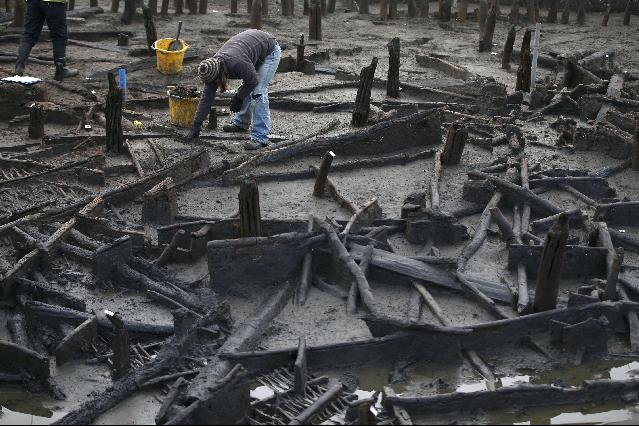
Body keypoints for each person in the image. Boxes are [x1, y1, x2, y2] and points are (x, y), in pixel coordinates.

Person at [187, 29, 281, 150]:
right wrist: (196, 125)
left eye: (215, 82)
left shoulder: (237, 63)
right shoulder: (212, 67)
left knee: (258, 91)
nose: (214, 84)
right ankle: (241, 123)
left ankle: (261, 137)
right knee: (245, 88)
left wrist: (239, 97)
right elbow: (207, 97)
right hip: (251, 50)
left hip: (270, 52)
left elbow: (252, 81)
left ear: (221, 74)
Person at [14, 0, 78, 77]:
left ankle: (19, 68)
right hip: (55, 2)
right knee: (59, 36)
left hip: (33, 2)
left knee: (29, 34)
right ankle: (61, 69)